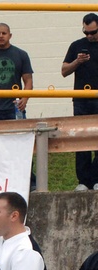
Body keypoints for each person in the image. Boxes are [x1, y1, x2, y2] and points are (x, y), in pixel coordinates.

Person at [63, 13, 98, 191]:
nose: (90, 36)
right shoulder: (76, 46)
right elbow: (64, 70)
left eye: (93, 32)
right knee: (81, 139)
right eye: (87, 33)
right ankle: (83, 181)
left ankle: (96, 178)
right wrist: (77, 61)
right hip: (82, 99)